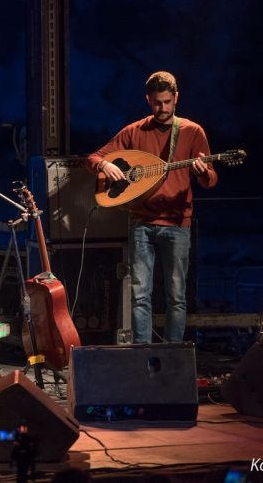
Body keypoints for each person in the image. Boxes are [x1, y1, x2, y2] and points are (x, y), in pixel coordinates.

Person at [86, 71, 218, 344]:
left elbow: (210, 181)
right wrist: (105, 165)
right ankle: (142, 355)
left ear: (177, 98)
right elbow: (94, 158)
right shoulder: (135, 132)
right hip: (142, 223)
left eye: (168, 102)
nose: (163, 108)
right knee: (140, 295)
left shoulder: (192, 132)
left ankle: (172, 356)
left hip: (177, 223)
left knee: (176, 298)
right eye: (157, 102)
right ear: (148, 100)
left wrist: (203, 171)